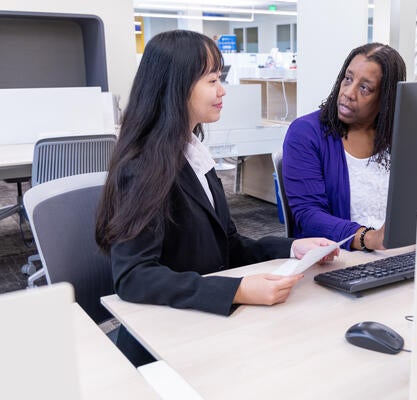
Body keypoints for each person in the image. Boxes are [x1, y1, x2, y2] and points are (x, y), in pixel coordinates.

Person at [95, 30, 338, 318]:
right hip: (167, 329)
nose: (222, 90)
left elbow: (227, 244)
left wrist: (292, 248)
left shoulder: (193, 154)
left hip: (204, 318)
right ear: (176, 87)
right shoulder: (142, 168)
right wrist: (237, 291)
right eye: (212, 81)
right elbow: (133, 276)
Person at [282, 43, 406, 252]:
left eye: (364, 87)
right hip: (338, 257)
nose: (348, 92)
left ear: (386, 98)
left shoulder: (398, 135)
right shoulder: (306, 133)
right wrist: (369, 238)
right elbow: (309, 215)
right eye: (348, 79)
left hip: (397, 253)